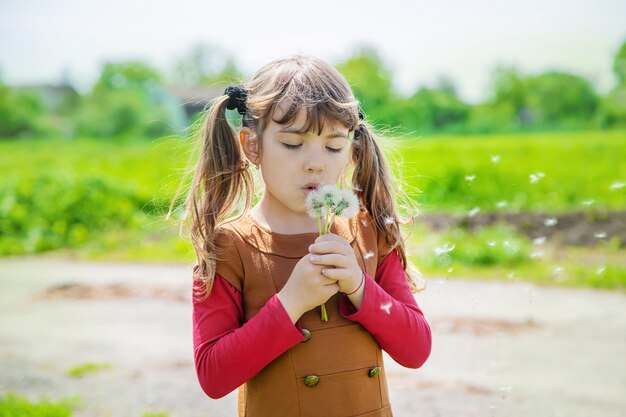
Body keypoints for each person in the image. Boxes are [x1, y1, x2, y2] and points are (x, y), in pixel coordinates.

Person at [173, 55, 431, 417]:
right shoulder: (230, 246)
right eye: (294, 144)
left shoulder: (369, 233)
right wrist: (291, 302)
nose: (315, 162)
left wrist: (359, 287)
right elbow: (214, 376)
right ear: (252, 145)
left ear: (351, 148)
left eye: (334, 146)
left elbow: (416, 349)